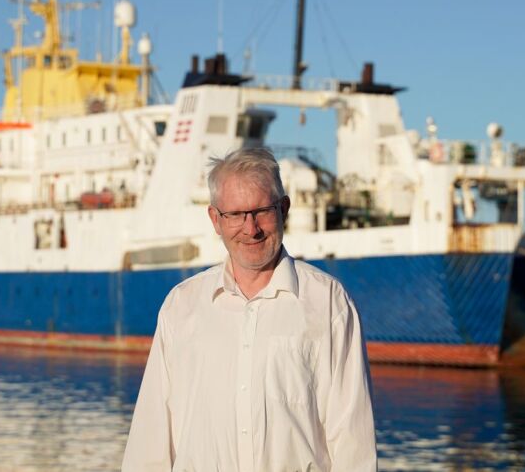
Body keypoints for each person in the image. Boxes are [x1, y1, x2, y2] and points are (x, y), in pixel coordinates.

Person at [122, 147, 377, 471]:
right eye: (235, 215)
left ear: (284, 209)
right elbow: (150, 440)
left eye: (261, 211)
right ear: (215, 219)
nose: (250, 228)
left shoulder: (328, 303)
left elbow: (354, 444)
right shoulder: (181, 306)